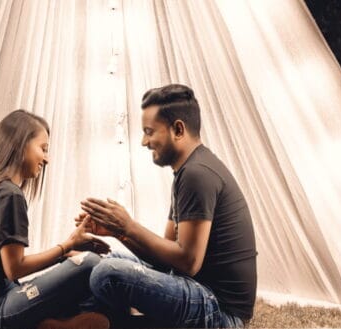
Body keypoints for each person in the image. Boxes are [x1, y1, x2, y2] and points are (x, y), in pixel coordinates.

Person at [80, 84, 257, 328]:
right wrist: (119, 232)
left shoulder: (198, 174)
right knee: (96, 260)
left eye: (149, 132)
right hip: (195, 289)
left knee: (107, 273)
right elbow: (165, 259)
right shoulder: (186, 172)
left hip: (220, 311)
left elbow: (188, 262)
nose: (144, 141)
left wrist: (128, 226)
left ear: (178, 129)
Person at [0, 109, 110, 329]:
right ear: (21, 144)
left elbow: (5, 269)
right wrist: (66, 246)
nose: (47, 159)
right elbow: (15, 268)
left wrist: (65, 254)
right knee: (90, 263)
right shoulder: (8, 194)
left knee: (79, 265)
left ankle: (48, 323)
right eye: (43, 148)